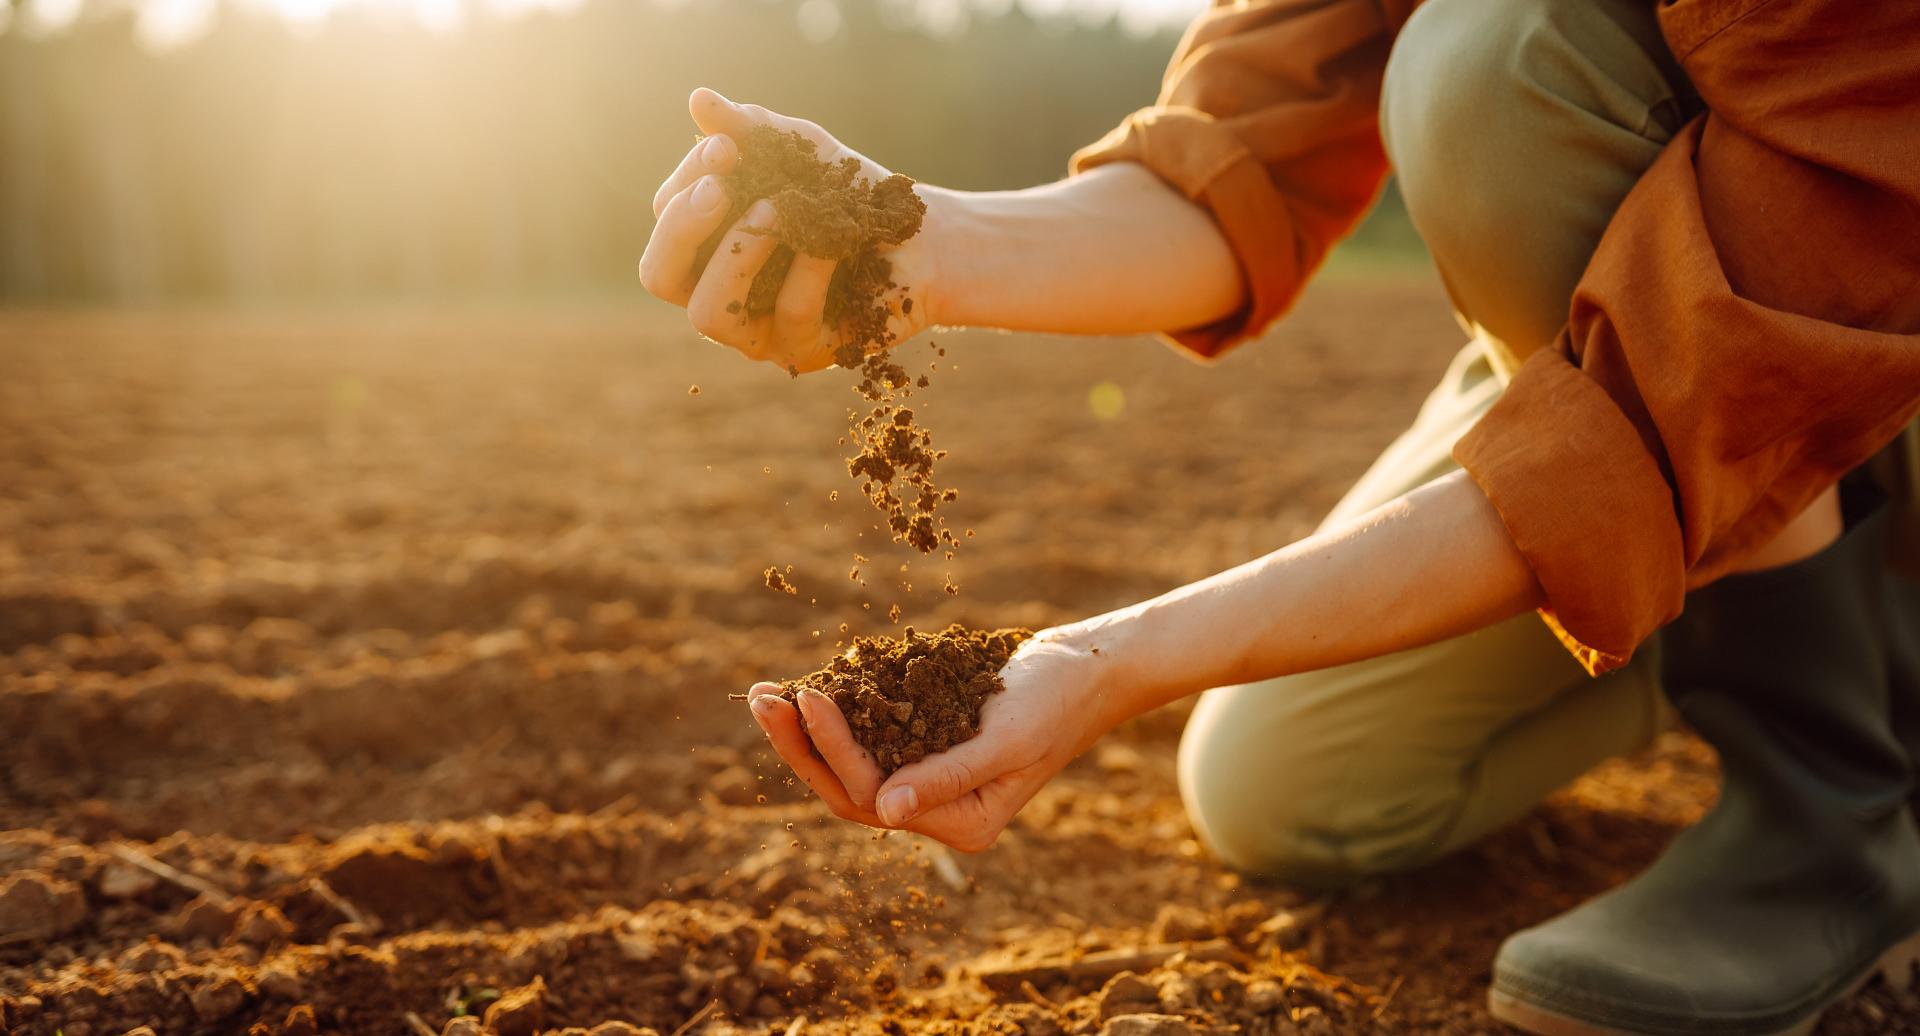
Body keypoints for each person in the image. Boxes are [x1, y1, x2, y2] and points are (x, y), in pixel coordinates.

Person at [638, 1, 1920, 1032]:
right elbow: (1240, 162)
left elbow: (1721, 366)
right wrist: (913, 242)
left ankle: (1827, 801)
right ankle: (1765, 591)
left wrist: (1118, 661)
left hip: (1827, 312)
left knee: (1488, 69)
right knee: (1290, 788)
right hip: (1637, 360)